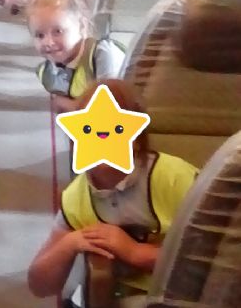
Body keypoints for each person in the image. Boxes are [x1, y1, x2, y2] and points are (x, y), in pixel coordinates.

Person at [28, 79, 198, 308]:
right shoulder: (77, 198)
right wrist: (69, 243)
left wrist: (136, 252)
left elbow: (215, 257)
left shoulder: (175, 178)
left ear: (136, 139)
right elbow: (40, 285)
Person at [27, 0, 125, 113]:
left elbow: (109, 110)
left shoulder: (103, 55)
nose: (48, 42)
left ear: (82, 26)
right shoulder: (46, 72)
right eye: (40, 35)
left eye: (58, 31)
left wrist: (66, 104)